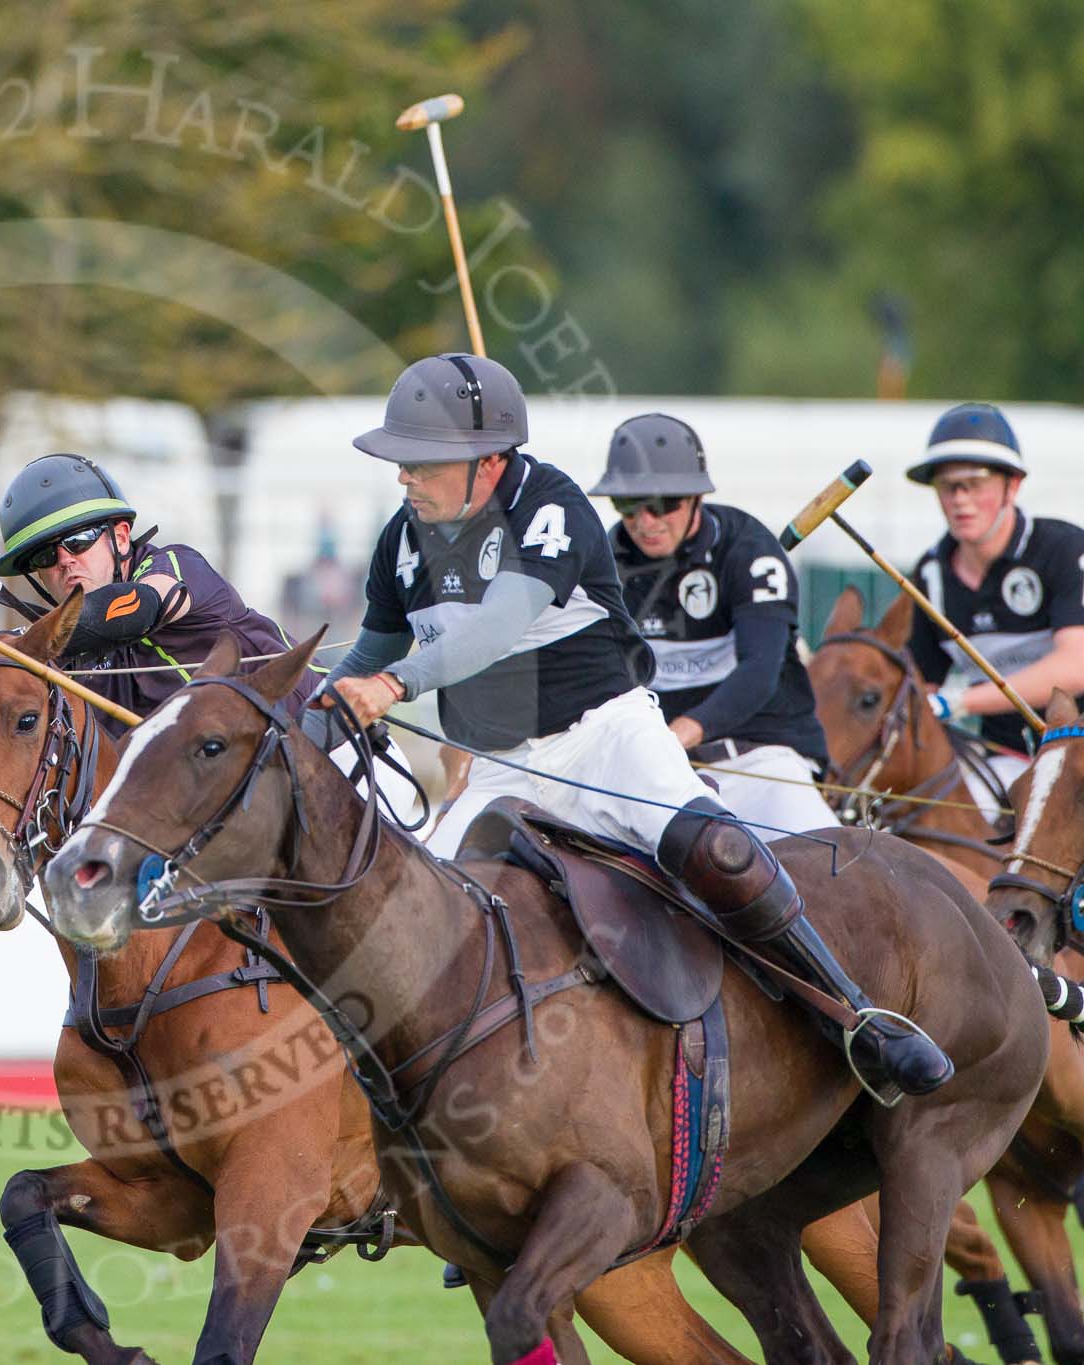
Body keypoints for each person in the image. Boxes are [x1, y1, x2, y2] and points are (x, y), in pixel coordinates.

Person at [314, 353, 950, 1098]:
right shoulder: (402, 539)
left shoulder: (551, 504)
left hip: (607, 738)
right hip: (500, 767)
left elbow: (497, 623)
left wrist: (393, 685)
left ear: (486, 463)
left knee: (721, 849)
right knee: (406, 919)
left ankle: (857, 1018)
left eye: (420, 462)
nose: (404, 477)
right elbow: (366, 653)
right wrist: (300, 720)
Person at [0, 453, 314, 773]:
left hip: (318, 751)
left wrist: (27, 644)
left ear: (121, 536)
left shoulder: (174, 566)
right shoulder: (52, 650)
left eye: (78, 541)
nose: (64, 562)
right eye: (43, 557)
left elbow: (135, 609)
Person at [589, 413, 837, 837]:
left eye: (664, 504)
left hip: (761, 762)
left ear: (696, 500)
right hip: (656, 774)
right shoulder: (602, 565)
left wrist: (680, 733)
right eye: (629, 505)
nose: (646, 521)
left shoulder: (749, 550)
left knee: (834, 868)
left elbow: (759, 670)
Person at [904, 402, 1084, 789]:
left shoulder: (1064, 549)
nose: (959, 499)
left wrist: (962, 702)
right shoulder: (931, 573)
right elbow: (921, 685)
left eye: (976, 481)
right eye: (947, 485)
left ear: (1012, 485)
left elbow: (1076, 666)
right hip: (1004, 760)